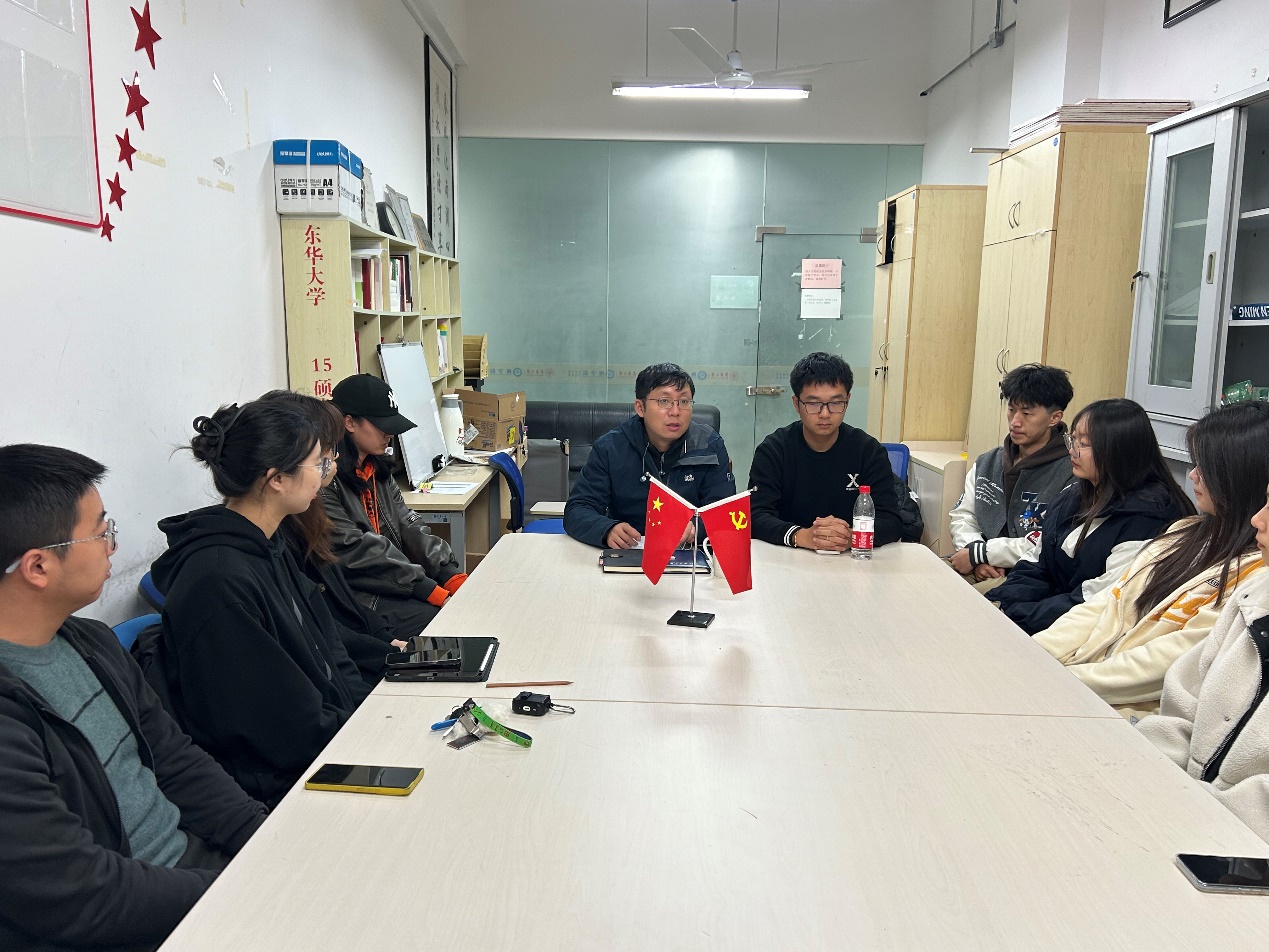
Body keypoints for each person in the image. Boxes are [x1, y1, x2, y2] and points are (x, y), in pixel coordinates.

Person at [0, 444, 267, 952]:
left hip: (197, 877)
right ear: (37, 567)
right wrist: (240, 892)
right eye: (101, 531)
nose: (112, 546)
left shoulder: (90, 642)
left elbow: (175, 760)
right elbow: (84, 899)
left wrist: (266, 841)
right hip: (140, 922)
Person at [150, 401, 368, 808]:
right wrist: (368, 736)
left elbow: (330, 649)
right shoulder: (217, 582)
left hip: (328, 743)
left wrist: (370, 715)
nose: (326, 473)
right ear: (277, 478)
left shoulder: (268, 543)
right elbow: (281, 724)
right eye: (318, 463)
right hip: (283, 785)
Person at [1034, 402, 1269, 719]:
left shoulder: (1255, 576)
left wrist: (1061, 679)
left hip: (1134, 708)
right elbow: (1108, 602)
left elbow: (1168, 662)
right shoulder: (1182, 533)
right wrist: (1035, 653)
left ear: (1241, 477)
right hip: (1082, 676)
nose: (1193, 475)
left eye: (1206, 467)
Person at [1136, 477, 1269, 842]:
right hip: (1182, 813)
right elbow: (1183, 708)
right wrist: (1141, 775)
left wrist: (1185, 808)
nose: (1257, 520)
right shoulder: (1254, 598)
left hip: (1241, 845)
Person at [990, 398, 1193, 634]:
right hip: (1040, 615)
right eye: (1073, 439)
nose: (1072, 450)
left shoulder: (1148, 519)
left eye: (1084, 444)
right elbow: (1037, 563)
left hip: (1082, 631)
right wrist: (1002, 602)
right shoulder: (1075, 493)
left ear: (1119, 450)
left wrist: (1015, 616)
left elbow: (1095, 603)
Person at [259, 389, 406, 685]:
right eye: (321, 458)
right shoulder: (273, 542)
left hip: (357, 645)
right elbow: (319, 641)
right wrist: (385, 651)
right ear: (279, 475)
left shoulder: (295, 521)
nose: (332, 462)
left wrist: (384, 641)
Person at [324, 374, 467, 640]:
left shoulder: (376, 468)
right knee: (443, 624)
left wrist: (448, 574)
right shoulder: (325, 482)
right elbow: (356, 549)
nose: (389, 433)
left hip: (393, 582)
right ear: (349, 422)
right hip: (357, 594)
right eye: (381, 424)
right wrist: (426, 588)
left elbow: (408, 523)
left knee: (464, 611)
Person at [564, 363, 735, 549]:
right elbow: (578, 509)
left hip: (690, 553)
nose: (675, 411)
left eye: (684, 401)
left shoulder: (709, 445)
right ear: (640, 407)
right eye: (664, 401)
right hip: (629, 550)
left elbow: (725, 513)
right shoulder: (610, 448)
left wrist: (695, 528)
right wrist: (607, 530)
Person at [748, 352, 901, 551]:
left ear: (848, 400)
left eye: (836, 403)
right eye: (813, 404)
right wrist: (801, 536)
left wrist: (849, 537)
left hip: (851, 557)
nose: (825, 414)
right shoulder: (774, 450)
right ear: (796, 403)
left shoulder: (868, 450)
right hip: (787, 556)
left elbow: (891, 520)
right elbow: (755, 515)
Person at [949, 364, 1074, 588]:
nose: (1015, 421)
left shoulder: (1071, 472)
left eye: (1027, 413)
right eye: (1011, 409)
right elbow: (963, 516)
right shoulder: (988, 461)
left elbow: (1051, 540)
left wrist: (983, 554)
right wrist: (975, 555)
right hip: (978, 563)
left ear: (1054, 418)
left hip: (1032, 576)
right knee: (925, 581)